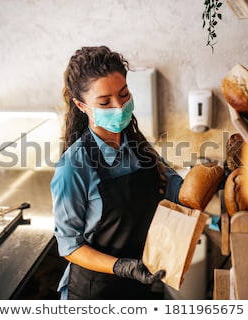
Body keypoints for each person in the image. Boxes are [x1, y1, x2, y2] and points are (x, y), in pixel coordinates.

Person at [51, 46, 184, 300]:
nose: (119, 106)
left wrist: (219, 177)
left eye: (124, 95)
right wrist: (121, 266)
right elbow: (69, 246)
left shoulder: (137, 145)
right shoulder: (74, 166)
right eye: (104, 102)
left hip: (138, 283)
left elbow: (174, 189)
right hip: (95, 293)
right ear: (81, 105)